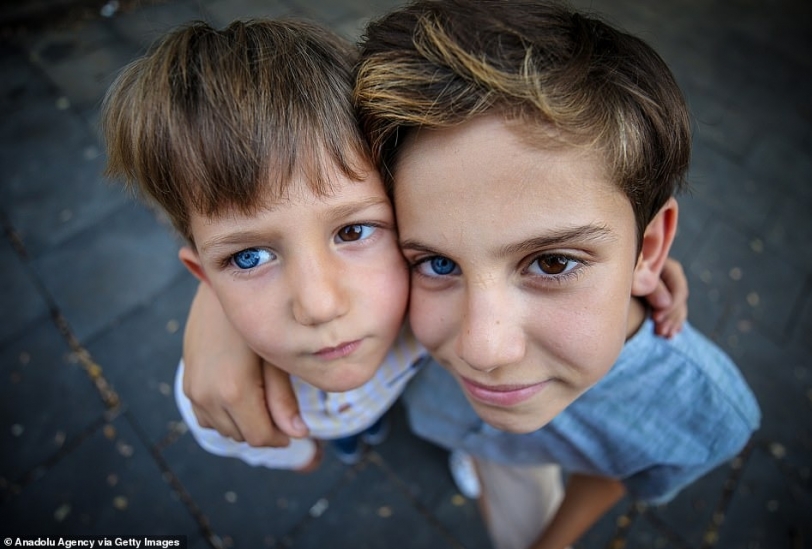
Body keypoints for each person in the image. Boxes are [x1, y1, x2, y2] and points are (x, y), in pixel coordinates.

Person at [352, 1, 761, 548]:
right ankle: (476, 449)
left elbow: (620, 467)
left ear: (649, 249)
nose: (483, 349)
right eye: (438, 263)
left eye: (552, 262)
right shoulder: (397, 296)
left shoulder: (705, 419)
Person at [100, 18, 428, 470]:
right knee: (343, 436)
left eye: (352, 232)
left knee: (367, 418)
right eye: (248, 256)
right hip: (313, 426)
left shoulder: (445, 312)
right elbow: (284, 455)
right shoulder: (216, 406)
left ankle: (363, 427)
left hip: (380, 397)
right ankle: (347, 438)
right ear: (205, 279)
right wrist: (299, 455)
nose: (318, 305)